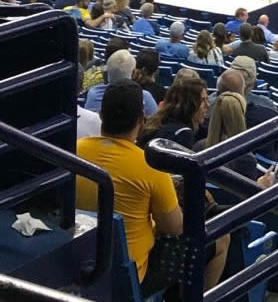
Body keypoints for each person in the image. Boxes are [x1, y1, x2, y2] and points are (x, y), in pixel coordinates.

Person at [77, 83, 199, 293]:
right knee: (202, 245)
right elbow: (174, 227)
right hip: (127, 279)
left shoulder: (74, 152)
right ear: (142, 120)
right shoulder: (151, 166)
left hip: (78, 263)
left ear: (100, 115)